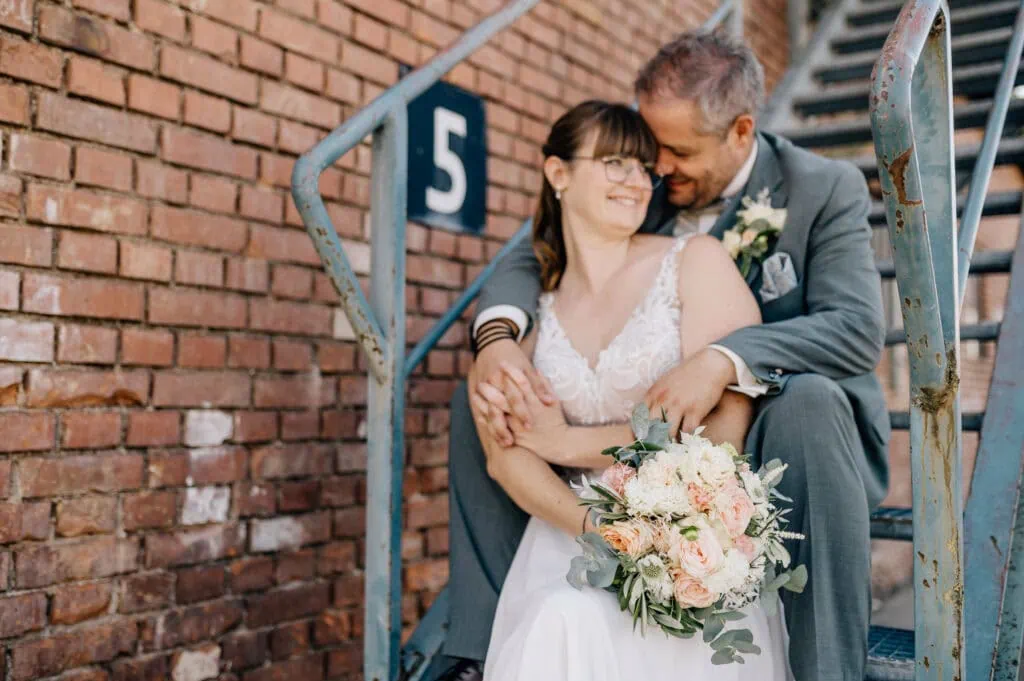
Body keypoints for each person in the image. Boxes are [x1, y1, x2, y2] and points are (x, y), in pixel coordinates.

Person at [438, 31, 888, 681]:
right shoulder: (646, 188)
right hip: (651, 437)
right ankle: (478, 647)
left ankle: (828, 669)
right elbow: (528, 252)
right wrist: (496, 339)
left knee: (808, 400)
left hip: (785, 432)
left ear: (740, 132)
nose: (655, 166)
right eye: (648, 148)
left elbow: (854, 329)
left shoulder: (822, 188)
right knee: (482, 392)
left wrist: (721, 359)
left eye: (675, 150)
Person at [476, 98, 792, 681]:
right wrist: (598, 529)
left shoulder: (694, 262)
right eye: (615, 162)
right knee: (557, 620)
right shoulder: (533, 309)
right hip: (565, 532)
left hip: (684, 530)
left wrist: (567, 443)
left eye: (643, 167)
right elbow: (505, 453)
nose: (637, 181)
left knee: (569, 625)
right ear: (558, 173)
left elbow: (722, 430)